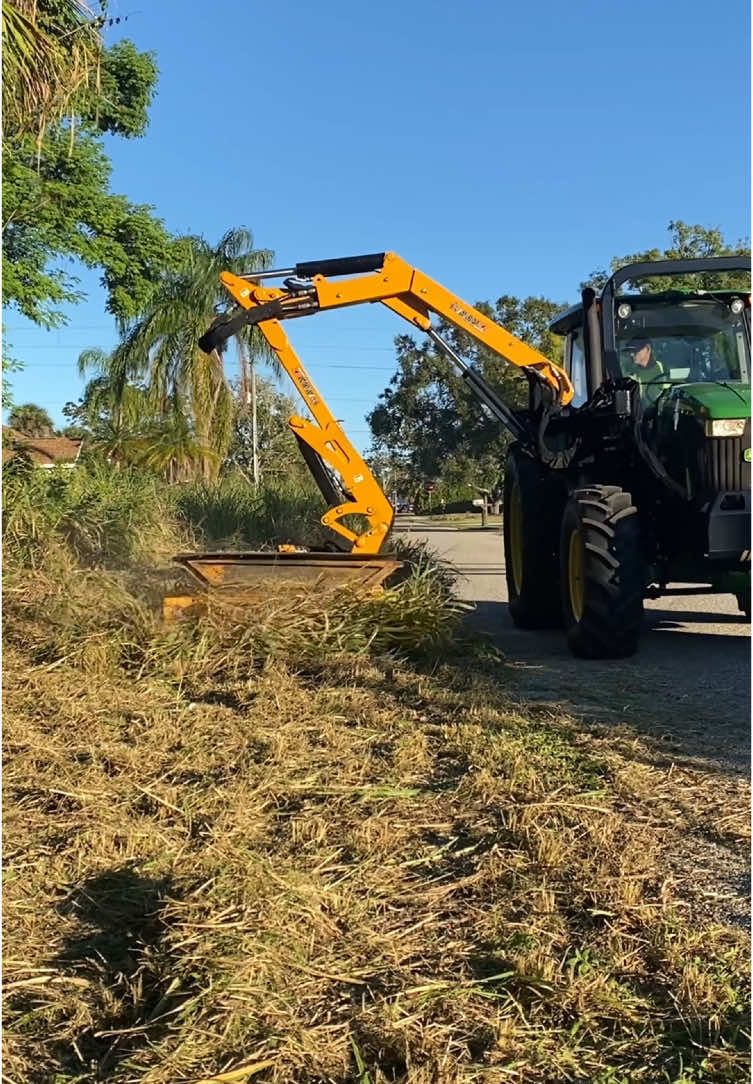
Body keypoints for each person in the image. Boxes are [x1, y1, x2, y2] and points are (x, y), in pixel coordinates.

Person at [621, 337, 668, 404]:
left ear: (647, 348)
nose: (631, 354)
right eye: (630, 352)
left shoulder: (664, 369)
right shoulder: (629, 371)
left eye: (635, 351)